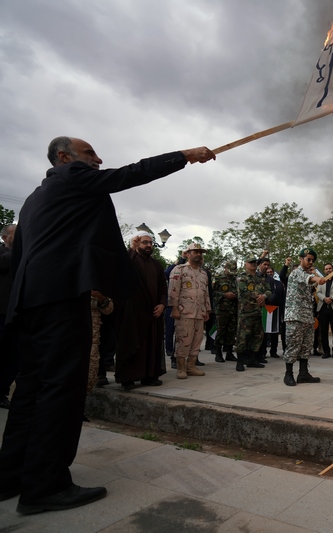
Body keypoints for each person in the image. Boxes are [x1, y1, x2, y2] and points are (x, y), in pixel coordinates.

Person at [0, 136, 214, 514]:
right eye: (89, 154)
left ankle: (12, 476)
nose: (97, 159)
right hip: (61, 299)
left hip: (31, 303)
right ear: (64, 158)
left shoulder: (34, 200)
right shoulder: (70, 179)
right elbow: (129, 175)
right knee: (61, 392)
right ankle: (45, 487)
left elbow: (22, 257)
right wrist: (183, 156)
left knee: (31, 390)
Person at [114, 231, 169, 390]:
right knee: (131, 343)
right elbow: (121, 267)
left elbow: (163, 288)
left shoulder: (157, 265)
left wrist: (162, 304)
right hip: (132, 313)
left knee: (151, 345)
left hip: (153, 313)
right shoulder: (130, 259)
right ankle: (128, 378)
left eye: (150, 243)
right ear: (137, 244)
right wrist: (130, 248)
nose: (148, 245)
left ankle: (148, 376)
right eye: (145, 242)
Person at [168, 243, 212, 379]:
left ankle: (191, 366)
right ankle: (181, 368)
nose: (199, 254)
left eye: (200, 252)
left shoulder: (204, 273)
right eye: (195, 252)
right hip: (184, 311)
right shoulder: (179, 269)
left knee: (197, 340)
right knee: (183, 339)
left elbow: (206, 293)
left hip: (200, 312)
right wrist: (174, 307)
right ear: (187, 254)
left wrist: (208, 310)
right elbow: (173, 290)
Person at [284, 247, 327, 386]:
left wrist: (317, 278)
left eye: (312, 260)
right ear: (301, 259)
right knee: (293, 345)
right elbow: (308, 279)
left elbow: (312, 281)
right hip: (295, 315)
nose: (310, 262)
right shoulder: (296, 273)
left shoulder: (308, 273)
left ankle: (303, 374)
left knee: (306, 346)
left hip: (307, 315)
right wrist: (318, 278)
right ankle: (288, 374)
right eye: (308, 259)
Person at [235, 258, 271, 371]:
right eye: (250, 262)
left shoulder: (261, 278)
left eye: (255, 263)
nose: (253, 264)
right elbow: (243, 292)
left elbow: (269, 290)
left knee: (257, 337)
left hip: (258, 312)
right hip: (246, 312)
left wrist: (264, 296)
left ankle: (252, 360)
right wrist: (258, 297)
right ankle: (240, 361)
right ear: (245, 264)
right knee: (242, 337)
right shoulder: (242, 277)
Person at [0, 224, 19, 408]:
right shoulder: (4, 254)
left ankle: (2, 392)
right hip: (1, 313)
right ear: (5, 238)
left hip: (17, 315)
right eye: (15, 233)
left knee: (14, 357)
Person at [316, 263, 333, 359]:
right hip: (323, 307)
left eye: (330, 268)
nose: (328, 270)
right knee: (323, 331)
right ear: (324, 271)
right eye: (326, 269)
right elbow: (318, 292)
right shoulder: (321, 281)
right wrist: (324, 299)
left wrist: (331, 298)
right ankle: (326, 351)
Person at [212, 260, 239, 363]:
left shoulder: (236, 279)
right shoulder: (218, 278)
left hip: (233, 309)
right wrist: (224, 295)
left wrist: (236, 295)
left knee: (231, 331)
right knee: (221, 331)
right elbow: (212, 292)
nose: (232, 273)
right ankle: (218, 353)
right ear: (225, 268)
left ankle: (229, 353)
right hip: (222, 309)